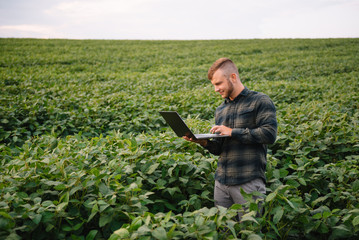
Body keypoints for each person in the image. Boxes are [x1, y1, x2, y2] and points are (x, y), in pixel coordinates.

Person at [183, 57, 277, 218]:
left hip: (248, 181)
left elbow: (269, 134)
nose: (215, 89)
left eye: (218, 84)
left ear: (233, 77)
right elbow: (219, 149)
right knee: (225, 231)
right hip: (221, 183)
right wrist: (203, 142)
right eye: (213, 85)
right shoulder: (221, 110)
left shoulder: (260, 101)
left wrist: (233, 131)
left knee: (250, 230)